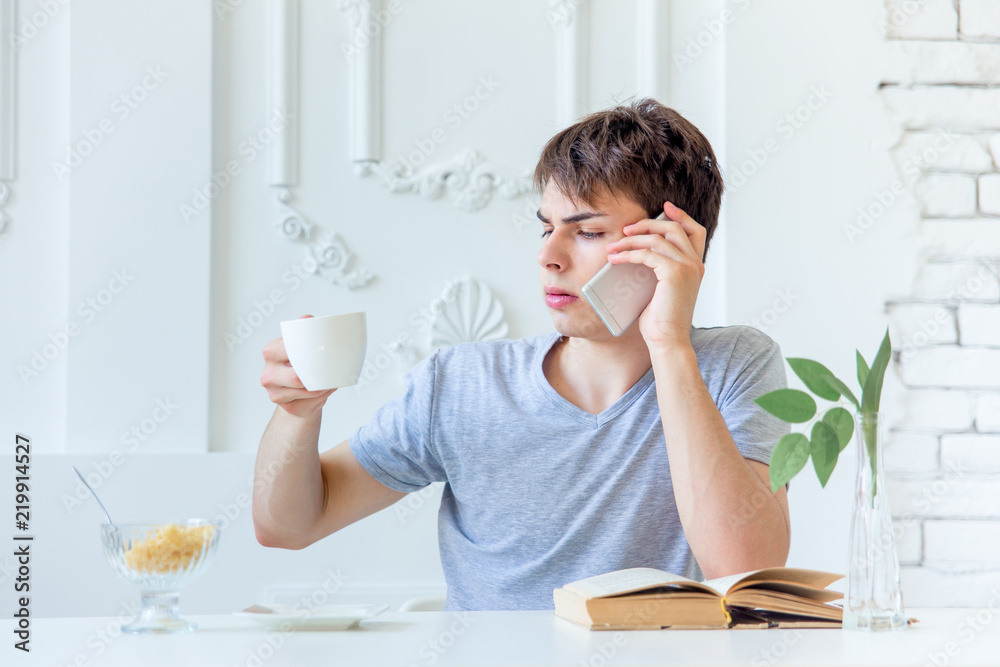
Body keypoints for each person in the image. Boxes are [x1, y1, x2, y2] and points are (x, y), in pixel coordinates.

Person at [253, 98, 791, 612]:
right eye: (546, 227)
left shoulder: (734, 365)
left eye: (589, 232)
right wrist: (296, 414)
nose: (548, 256)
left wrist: (670, 344)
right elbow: (288, 526)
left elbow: (742, 569)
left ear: (672, 241)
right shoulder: (461, 383)